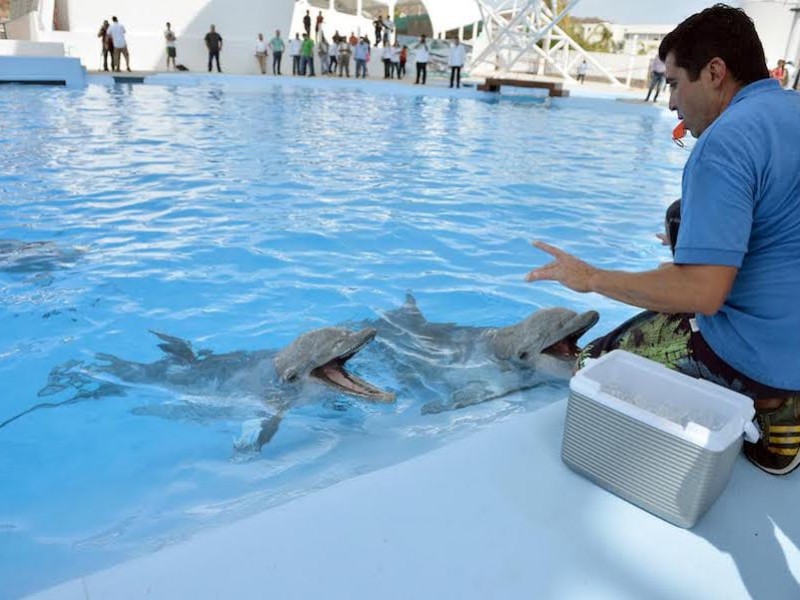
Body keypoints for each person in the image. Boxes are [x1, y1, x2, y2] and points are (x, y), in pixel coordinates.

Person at [525, 5, 800, 476]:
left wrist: (591, 277)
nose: (670, 102)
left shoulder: (725, 142)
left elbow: (702, 295)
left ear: (715, 72)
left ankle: (772, 403)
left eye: (674, 83)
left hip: (756, 354)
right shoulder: (790, 108)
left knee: (592, 363)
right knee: (681, 225)